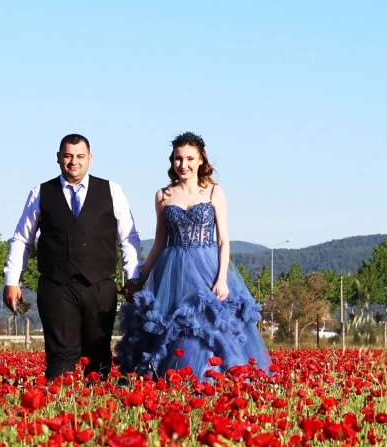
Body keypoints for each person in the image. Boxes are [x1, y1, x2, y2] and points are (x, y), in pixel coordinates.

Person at [115, 132, 271, 379]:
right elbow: (158, 244)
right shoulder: (163, 195)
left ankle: (206, 381)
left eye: (189, 158)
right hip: (172, 271)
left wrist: (221, 279)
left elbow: (223, 240)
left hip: (207, 270)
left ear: (201, 159)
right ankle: (173, 381)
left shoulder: (214, 192)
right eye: (178, 159)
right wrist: (139, 281)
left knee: (205, 326)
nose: (183, 165)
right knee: (172, 328)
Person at [3, 134, 141, 380]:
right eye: (68, 156)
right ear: (58, 158)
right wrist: (12, 280)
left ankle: (98, 410)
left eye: (79, 156)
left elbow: (128, 239)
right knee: (60, 355)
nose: (73, 161)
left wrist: (133, 279)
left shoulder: (112, 190)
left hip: (100, 287)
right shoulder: (41, 192)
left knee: (98, 355)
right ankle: (57, 410)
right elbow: (22, 239)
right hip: (56, 286)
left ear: (90, 158)